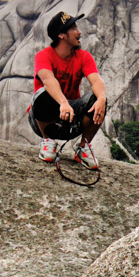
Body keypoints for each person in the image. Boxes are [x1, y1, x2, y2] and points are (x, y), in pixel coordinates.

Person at [31, 11, 108, 169]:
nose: (79, 32)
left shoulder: (83, 56)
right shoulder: (43, 56)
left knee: (97, 98)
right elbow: (48, 80)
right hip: (44, 120)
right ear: (61, 35)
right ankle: (48, 141)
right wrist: (63, 103)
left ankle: (83, 147)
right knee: (41, 95)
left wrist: (102, 98)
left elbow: (96, 80)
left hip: (71, 121)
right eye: (74, 28)